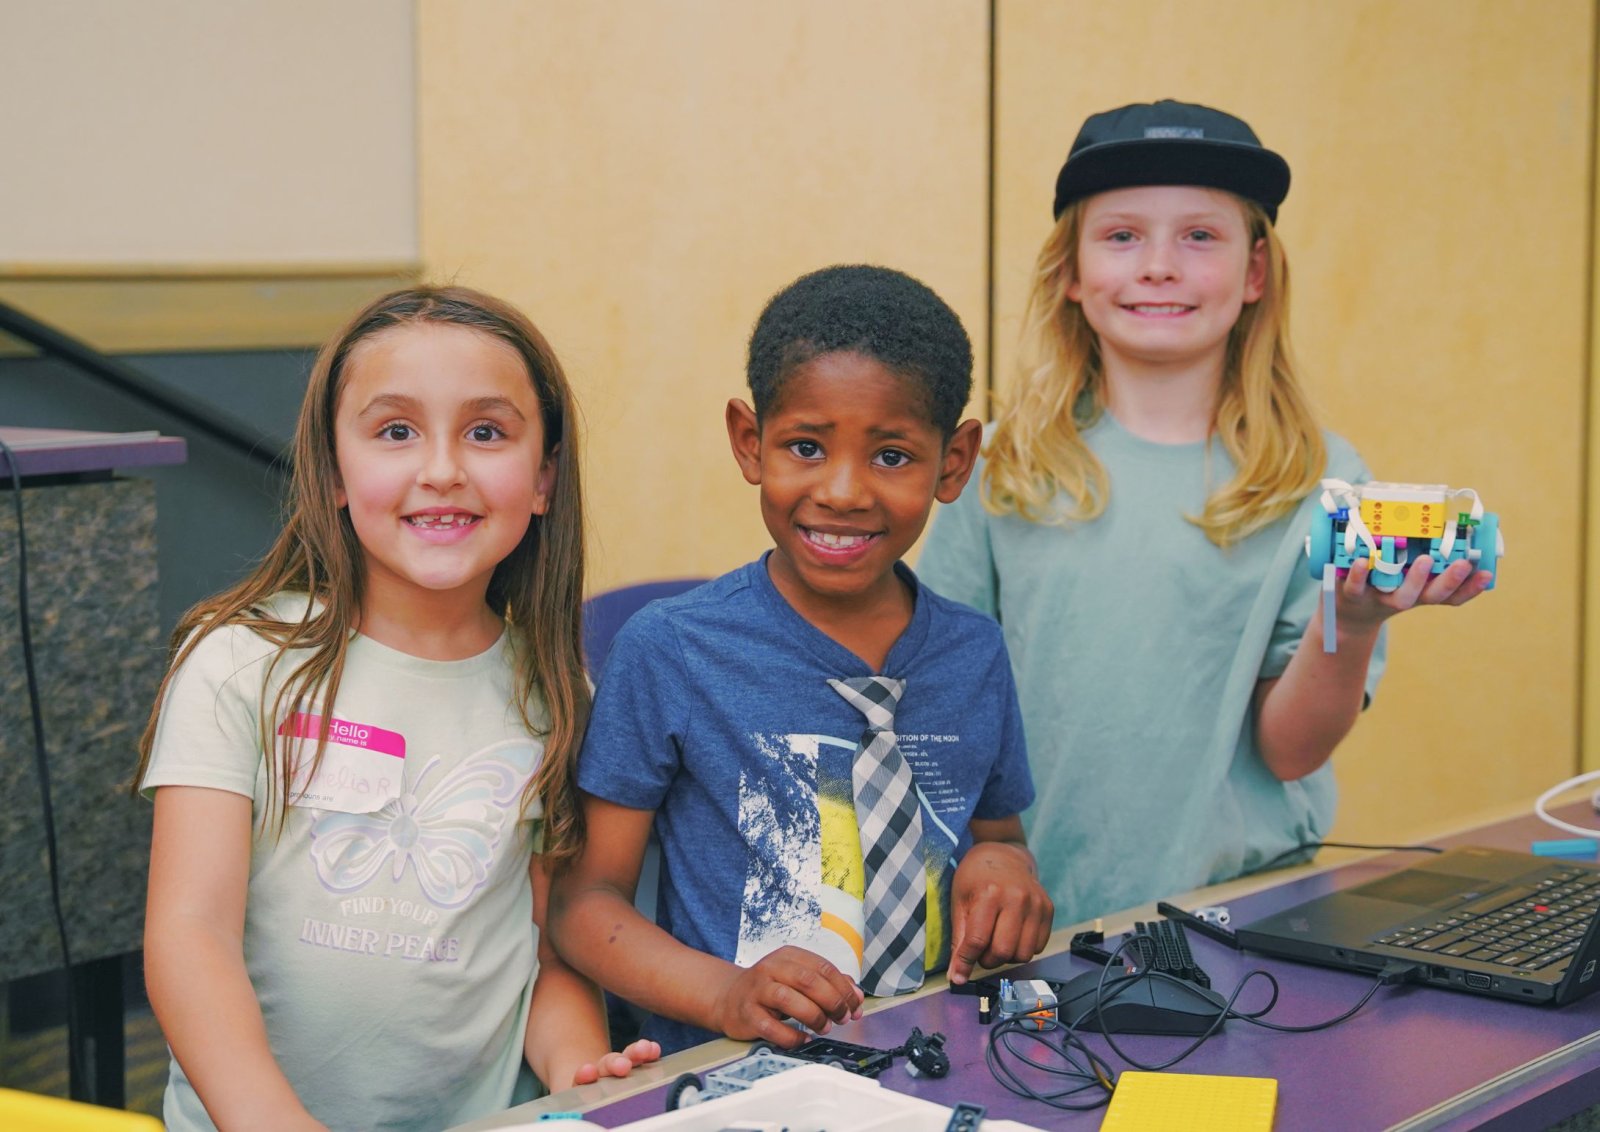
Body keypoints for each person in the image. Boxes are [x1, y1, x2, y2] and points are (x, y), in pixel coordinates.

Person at [917, 100, 1492, 927]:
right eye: (1122, 236)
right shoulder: (999, 469)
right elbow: (941, 705)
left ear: (1255, 272)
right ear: (1071, 271)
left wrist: (1355, 617)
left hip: (1245, 920)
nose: (1159, 266)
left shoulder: (1324, 482)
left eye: (1198, 236)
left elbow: (1290, 752)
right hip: (1032, 919)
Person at [135, 286, 657, 1132]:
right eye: (396, 431)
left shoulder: (557, 694)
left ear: (544, 479)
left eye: (486, 433)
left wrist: (580, 1074)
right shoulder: (240, 663)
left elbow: (545, 957)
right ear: (332, 473)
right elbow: (190, 936)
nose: (442, 469)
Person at [549, 265, 1053, 1054]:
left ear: (954, 462)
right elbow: (583, 906)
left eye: (892, 456)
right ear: (750, 443)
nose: (843, 491)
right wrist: (725, 993)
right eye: (806, 447)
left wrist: (1003, 863)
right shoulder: (670, 650)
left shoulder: (974, 652)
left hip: (934, 1059)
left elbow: (1000, 834)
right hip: (732, 1070)